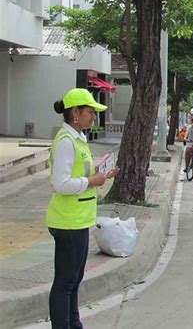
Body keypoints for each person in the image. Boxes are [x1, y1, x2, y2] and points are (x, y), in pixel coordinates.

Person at [48, 88, 120, 328]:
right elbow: (61, 183)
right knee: (66, 282)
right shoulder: (66, 141)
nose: (94, 117)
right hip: (67, 220)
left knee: (75, 278)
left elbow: (81, 174)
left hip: (79, 219)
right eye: (90, 112)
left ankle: (73, 323)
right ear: (75, 113)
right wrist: (92, 181)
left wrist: (102, 175)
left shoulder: (78, 138)